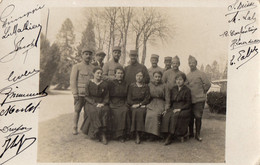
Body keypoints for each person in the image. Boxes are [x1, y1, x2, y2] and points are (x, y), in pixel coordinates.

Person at [81, 67, 110, 145]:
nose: (100, 75)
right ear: (93, 74)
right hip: (90, 103)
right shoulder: (89, 83)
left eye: (101, 73)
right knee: (93, 110)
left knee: (105, 110)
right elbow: (86, 96)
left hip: (101, 102)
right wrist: (95, 103)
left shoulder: (104, 84)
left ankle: (102, 133)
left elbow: (106, 96)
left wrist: (103, 103)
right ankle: (98, 133)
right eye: (98, 73)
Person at [161, 73, 192, 145]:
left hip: (184, 109)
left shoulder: (187, 90)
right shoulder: (174, 89)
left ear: (184, 81)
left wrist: (180, 109)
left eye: (180, 80)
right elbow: (171, 101)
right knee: (166, 115)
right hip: (174, 107)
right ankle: (165, 134)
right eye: (177, 79)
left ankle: (170, 136)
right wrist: (167, 109)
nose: (178, 81)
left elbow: (188, 103)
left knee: (175, 116)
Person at [70, 48, 94, 135]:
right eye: (86, 54)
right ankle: (74, 127)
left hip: (89, 94)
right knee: (77, 110)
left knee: (88, 111)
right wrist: (75, 93)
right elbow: (72, 81)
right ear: (82, 55)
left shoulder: (93, 68)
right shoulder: (77, 66)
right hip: (79, 93)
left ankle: (85, 128)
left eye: (89, 54)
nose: (88, 56)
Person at [187, 55, 211, 141]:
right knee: (190, 117)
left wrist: (203, 92)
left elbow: (208, 84)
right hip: (190, 100)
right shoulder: (188, 75)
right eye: (190, 63)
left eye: (193, 63)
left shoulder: (201, 74)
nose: (191, 64)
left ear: (196, 63)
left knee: (198, 117)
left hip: (199, 99)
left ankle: (197, 134)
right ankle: (190, 133)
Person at [127, 71, 150, 144]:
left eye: (141, 76)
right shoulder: (132, 86)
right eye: (137, 76)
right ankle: (135, 133)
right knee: (134, 111)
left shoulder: (146, 86)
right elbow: (129, 98)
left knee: (140, 112)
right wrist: (133, 104)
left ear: (143, 77)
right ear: (135, 77)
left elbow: (147, 98)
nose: (139, 77)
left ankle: (139, 134)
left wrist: (140, 104)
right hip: (133, 104)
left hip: (142, 104)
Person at [108, 66, 131, 142]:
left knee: (125, 111)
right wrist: (109, 103)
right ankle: (113, 135)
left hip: (123, 102)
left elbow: (128, 96)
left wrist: (127, 103)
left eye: (121, 73)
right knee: (114, 112)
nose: (120, 75)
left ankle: (122, 135)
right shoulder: (111, 83)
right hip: (113, 102)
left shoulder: (126, 84)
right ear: (115, 74)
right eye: (118, 73)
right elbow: (107, 95)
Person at [145, 71, 165, 140]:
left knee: (155, 115)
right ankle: (150, 134)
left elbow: (167, 99)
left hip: (161, 103)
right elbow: (147, 96)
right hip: (152, 102)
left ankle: (156, 135)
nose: (157, 78)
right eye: (156, 77)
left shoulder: (164, 85)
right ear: (153, 77)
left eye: (159, 77)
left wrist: (166, 108)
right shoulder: (150, 85)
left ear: (161, 77)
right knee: (148, 114)